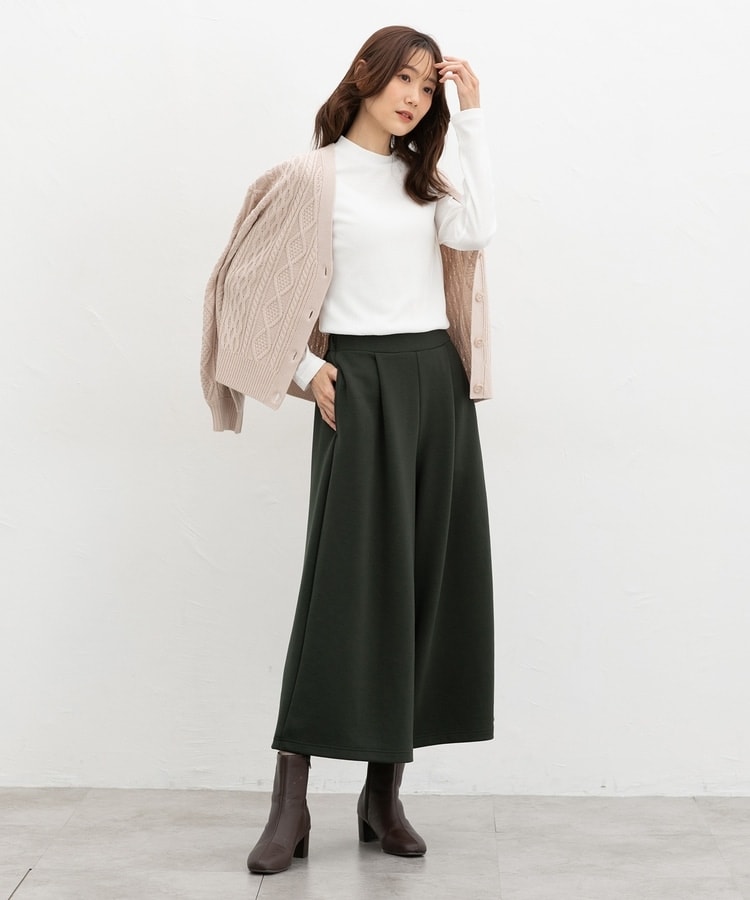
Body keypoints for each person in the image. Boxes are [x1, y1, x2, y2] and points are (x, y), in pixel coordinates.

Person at [200, 24, 496, 875]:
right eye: (404, 79)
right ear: (365, 77)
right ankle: (289, 802)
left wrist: (472, 119)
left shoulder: (428, 177)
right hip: (359, 384)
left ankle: (382, 795)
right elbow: (239, 284)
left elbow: (475, 233)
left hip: (436, 382)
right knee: (341, 589)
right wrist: (305, 369)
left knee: (422, 583)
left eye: (428, 87)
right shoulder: (311, 176)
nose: (415, 97)